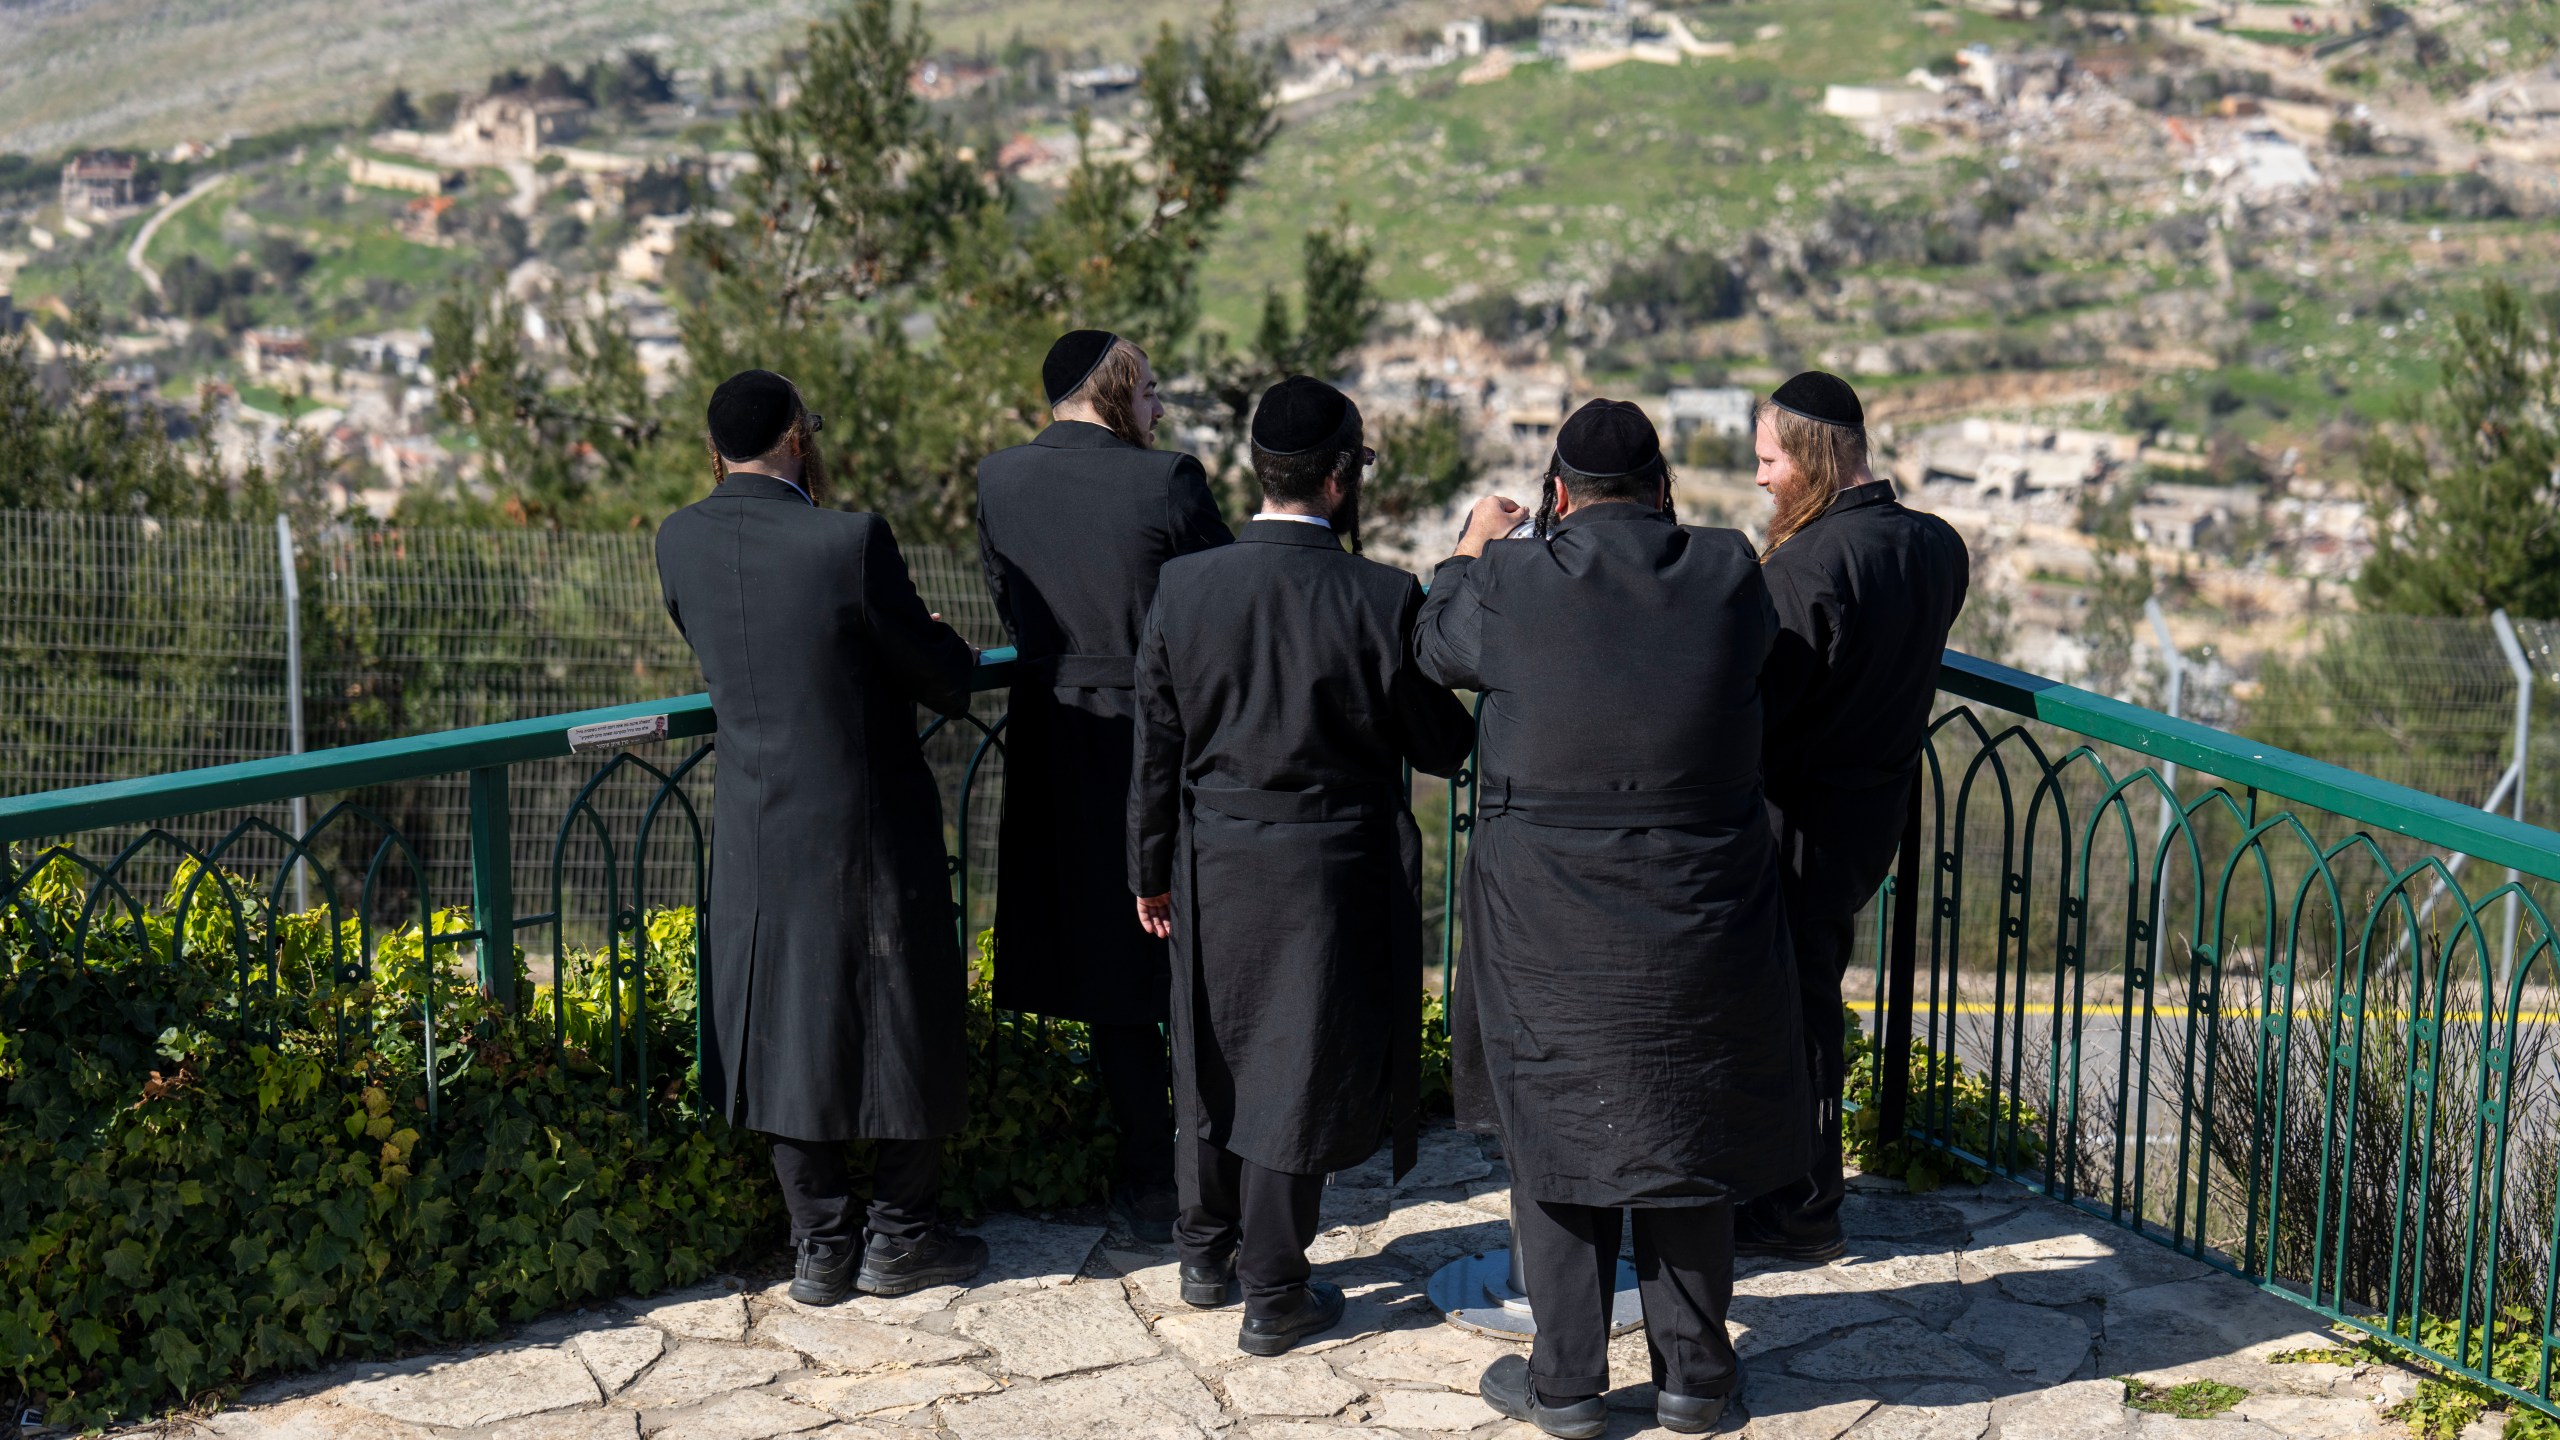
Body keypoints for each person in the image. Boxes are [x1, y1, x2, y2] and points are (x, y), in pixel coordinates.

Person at [1416, 399, 1806, 1439]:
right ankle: (1694, 1379)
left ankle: (1568, 1384)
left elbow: (1437, 648)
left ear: (1555, 497)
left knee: (1555, 1127)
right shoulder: (1727, 569)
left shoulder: (1510, 575)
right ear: (1663, 490)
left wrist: (1469, 549)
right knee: (1685, 1117)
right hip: (1696, 906)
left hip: (1545, 911)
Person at [1129, 375, 1476, 1356]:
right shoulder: (1380, 597)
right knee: (1291, 1068)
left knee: (1210, 1047)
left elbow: (1155, 746)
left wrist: (1147, 868)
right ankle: (1272, 1288)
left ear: (1258, 469)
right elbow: (1443, 746)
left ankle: (1203, 1254)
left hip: (1208, 857)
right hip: (1329, 871)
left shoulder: (1184, 587)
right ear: (1336, 480)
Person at [655, 369, 989, 1306]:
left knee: (780, 1021)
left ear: (715, 452)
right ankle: (902, 1237)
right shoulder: (848, 538)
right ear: (799, 437)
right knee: (901, 1011)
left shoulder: (678, 539)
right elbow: (935, 673)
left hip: (758, 820)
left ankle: (820, 1246)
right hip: (868, 815)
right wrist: (941, 642)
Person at [976, 330, 1232, 1244]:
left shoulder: (997, 479)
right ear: (1118, 387)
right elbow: (1228, 597)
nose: (1159, 410)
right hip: (1156, 732)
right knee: (1184, 949)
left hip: (1053, 735)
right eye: (1154, 391)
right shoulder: (1167, 481)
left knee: (1102, 958)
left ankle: (1144, 1178)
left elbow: (1010, 600)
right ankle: (1210, 1171)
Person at [1733, 372, 1970, 1263]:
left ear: (1810, 459)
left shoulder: (1804, 570)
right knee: (1808, 995)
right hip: (1876, 808)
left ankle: (1797, 1203)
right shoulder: (1937, 547)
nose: (1759, 479)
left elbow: (1765, 707)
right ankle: (1795, 1189)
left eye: (1767, 460)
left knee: (1788, 1007)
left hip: (1794, 817)